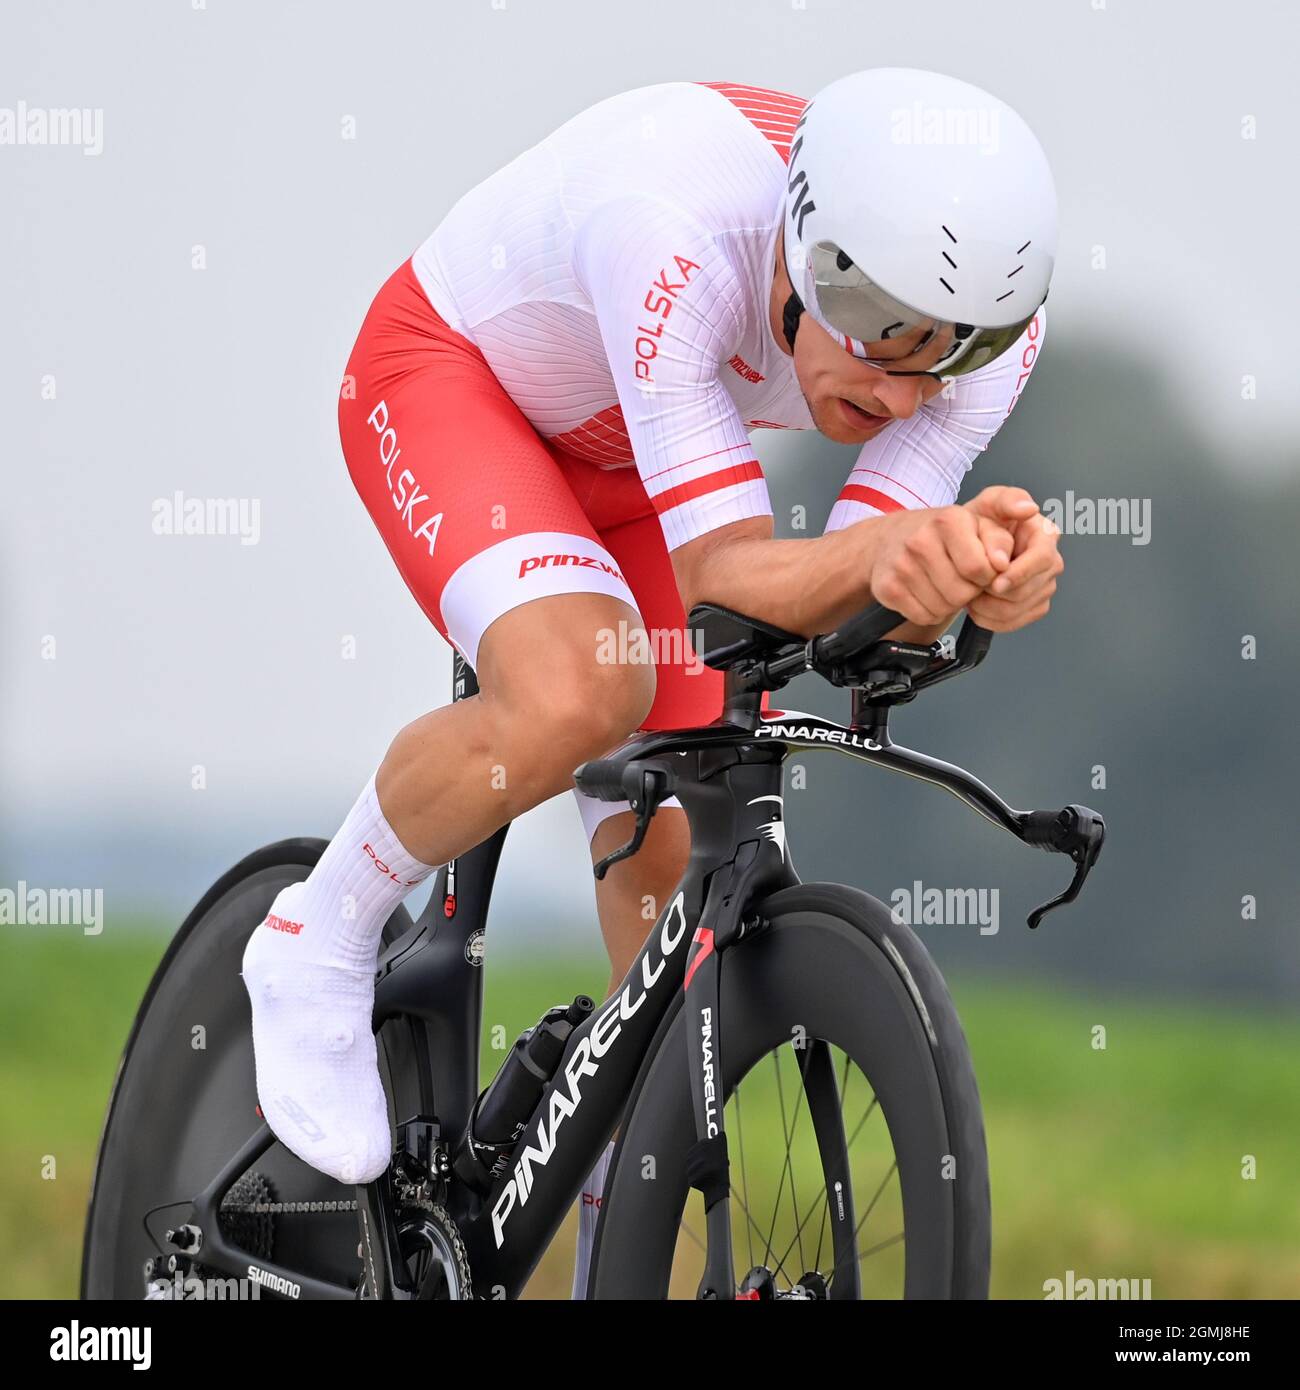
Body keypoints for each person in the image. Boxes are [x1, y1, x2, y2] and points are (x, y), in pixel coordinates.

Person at [240, 68, 1064, 1296]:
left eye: (946, 351)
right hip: (453, 381)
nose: (904, 388)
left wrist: (967, 573)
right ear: (805, 250)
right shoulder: (671, 219)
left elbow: (848, 599)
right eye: (881, 328)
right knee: (582, 691)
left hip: (645, 469)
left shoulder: (982, 341)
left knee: (672, 893)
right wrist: (886, 558)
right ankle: (322, 928)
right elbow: (730, 570)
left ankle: (603, 1237)